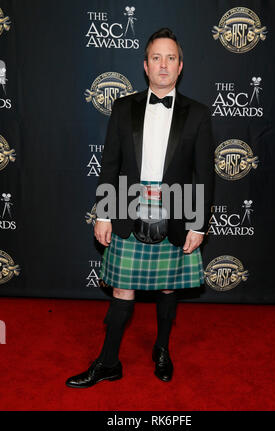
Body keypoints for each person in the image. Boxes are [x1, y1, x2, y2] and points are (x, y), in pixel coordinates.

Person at [66, 28, 214, 388]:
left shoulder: (198, 113)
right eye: (156, 58)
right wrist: (103, 212)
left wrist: (197, 224)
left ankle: (162, 349)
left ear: (181, 67)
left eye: (171, 58)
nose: (163, 65)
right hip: (128, 204)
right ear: (145, 66)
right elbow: (110, 164)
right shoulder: (123, 106)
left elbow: (204, 174)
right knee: (121, 289)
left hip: (177, 207)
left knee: (167, 288)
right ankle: (108, 362)